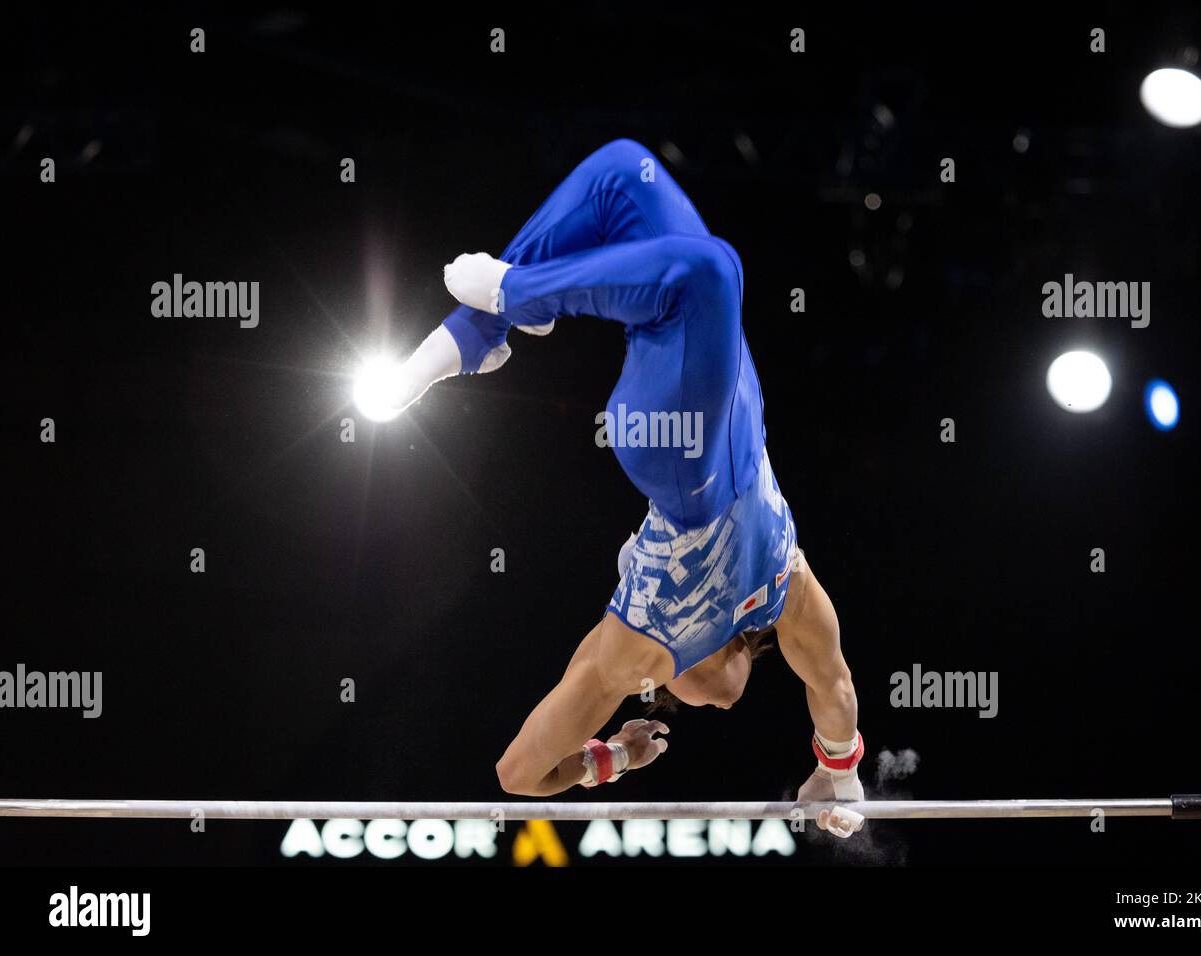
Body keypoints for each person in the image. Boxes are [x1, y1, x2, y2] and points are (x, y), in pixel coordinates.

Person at [356, 139, 865, 837]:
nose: (719, 703)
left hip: (680, 459)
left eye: (699, 704)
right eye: (727, 696)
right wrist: (837, 773)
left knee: (711, 270)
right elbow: (834, 689)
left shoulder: (628, 653)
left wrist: (614, 756)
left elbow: (518, 775)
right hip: (734, 408)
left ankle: (511, 298)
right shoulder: (786, 585)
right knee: (624, 171)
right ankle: (483, 326)